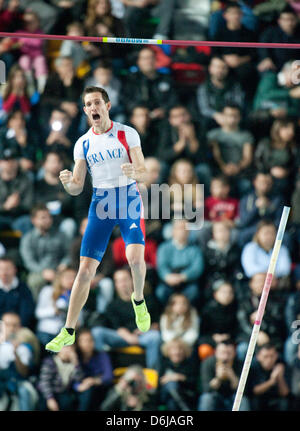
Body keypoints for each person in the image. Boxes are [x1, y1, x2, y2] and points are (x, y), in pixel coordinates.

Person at [45, 85, 152, 353]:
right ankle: (68, 330)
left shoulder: (127, 133)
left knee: (135, 258)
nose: (93, 107)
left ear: (107, 106)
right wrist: (68, 183)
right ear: (85, 110)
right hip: (101, 203)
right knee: (84, 271)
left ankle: (138, 300)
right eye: (88, 104)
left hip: (127, 198)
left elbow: (144, 171)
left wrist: (134, 171)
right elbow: (77, 187)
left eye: (97, 102)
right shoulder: (83, 143)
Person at [91, 268, 161, 370]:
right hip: (122, 337)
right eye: (118, 281)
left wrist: (146, 329)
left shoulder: (148, 299)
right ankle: (103, 371)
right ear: (115, 285)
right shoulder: (112, 305)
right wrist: (129, 337)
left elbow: (156, 324)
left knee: (155, 337)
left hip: (143, 335)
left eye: (125, 279)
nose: (122, 284)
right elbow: (117, 327)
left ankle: (153, 375)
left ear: (132, 280)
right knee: (97, 332)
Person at [19, 203, 70, 300]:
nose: (48, 220)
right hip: (38, 272)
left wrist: (64, 263)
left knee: (70, 279)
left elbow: (68, 253)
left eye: (49, 217)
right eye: (43, 218)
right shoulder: (27, 239)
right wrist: (43, 272)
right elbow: (29, 262)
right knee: (33, 281)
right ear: (33, 220)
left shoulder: (61, 235)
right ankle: (35, 311)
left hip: (59, 270)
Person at [208, 103, 254, 196]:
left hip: (240, 171)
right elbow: (215, 154)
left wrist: (237, 167)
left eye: (235, 116)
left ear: (240, 117)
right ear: (222, 116)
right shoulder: (213, 135)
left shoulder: (246, 135)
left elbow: (247, 157)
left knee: (245, 185)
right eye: (228, 115)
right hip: (219, 171)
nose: (232, 119)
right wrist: (223, 167)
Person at [156, 219, 204, 305]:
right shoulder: (164, 248)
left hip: (187, 281)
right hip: (169, 280)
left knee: (194, 292)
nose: (182, 231)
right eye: (179, 228)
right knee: (161, 292)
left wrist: (183, 276)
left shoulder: (195, 249)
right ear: (173, 231)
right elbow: (161, 266)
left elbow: (197, 268)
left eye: (185, 228)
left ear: (189, 232)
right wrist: (167, 276)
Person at [0, 311, 39, 411]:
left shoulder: (25, 347)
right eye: (8, 325)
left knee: (24, 391)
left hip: (17, 383)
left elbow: (24, 373)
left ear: (20, 327)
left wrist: (15, 353)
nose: (11, 329)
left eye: (15, 325)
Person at [196, 55, 246, 133]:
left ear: (227, 70)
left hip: (232, 116)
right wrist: (216, 115)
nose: (220, 70)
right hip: (212, 118)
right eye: (217, 67)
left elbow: (239, 104)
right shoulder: (203, 87)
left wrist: (228, 116)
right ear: (210, 69)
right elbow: (204, 109)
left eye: (223, 67)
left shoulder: (234, 86)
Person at [198, 339, 250, 411]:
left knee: (243, 400)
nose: (225, 357)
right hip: (215, 396)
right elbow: (206, 389)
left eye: (229, 353)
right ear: (216, 352)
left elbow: (245, 391)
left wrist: (232, 376)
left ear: (234, 353)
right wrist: (218, 378)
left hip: (233, 397)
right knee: (206, 398)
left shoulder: (241, 364)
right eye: (223, 353)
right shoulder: (208, 363)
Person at [238, 171, 285, 247]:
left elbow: (280, 221)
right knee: (242, 236)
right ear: (255, 182)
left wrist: (269, 208)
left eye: (268, 182)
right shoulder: (246, 199)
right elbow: (243, 222)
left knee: (286, 238)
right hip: (253, 229)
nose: (265, 185)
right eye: (261, 182)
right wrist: (256, 207)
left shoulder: (277, 199)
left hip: (271, 229)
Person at [35, 266, 77, 346]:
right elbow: (38, 313)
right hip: (46, 331)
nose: (71, 280)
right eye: (68, 277)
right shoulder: (48, 290)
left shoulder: (75, 295)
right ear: (60, 278)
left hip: (64, 332)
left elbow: (79, 319)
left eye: (74, 277)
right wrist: (54, 311)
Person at [254, 118, 296, 196]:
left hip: (285, 179)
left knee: (285, 187)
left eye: (292, 129)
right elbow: (257, 160)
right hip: (264, 175)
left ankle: (285, 208)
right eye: (287, 128)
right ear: (278, 129)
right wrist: (269, 171)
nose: (291, 132)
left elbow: (295, 165)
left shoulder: (293, 147)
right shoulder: (265, 143)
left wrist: (286, 172)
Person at [75, 328, 113, 410]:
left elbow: (109, 376)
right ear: (78, 343)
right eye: (84, 341)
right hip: (81, 388)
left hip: (100, 388)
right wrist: (78, 386)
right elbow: (72, 379)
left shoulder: (102, 355)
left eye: (90, 340)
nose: (88, 343)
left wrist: (93, 381)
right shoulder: (76, 357)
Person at [0, 146, 34, 234]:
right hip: (1, 216)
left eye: (12, 160)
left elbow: (29, 204)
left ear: (17, 162)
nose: (9, 163)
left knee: (27, 222)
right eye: (6, 160)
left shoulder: (26, 178)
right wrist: (5, 206)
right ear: (0, 162)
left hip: (20, 217)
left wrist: (16, 205)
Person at [257, 5, 300, 73]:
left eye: (292, 19)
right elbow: (263, 46)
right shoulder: (270, 32)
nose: (289, 23)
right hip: (273, 67)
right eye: (286, 19)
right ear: (279, 21)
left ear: (296, 20)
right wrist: (266, 58)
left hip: (295, 68)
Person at [159, 338, 198, 411]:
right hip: (165, 394)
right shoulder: (164, 364)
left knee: (172, 403)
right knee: (171, 384)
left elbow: (193, 383)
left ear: (185, 351)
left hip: (185, 395)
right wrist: (172, 379)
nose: (177, 352)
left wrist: (180, 377)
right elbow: (160, 381)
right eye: (173, 349)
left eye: (180, 349)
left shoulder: (189, 365)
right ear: (168, 351)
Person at [248, 343, 290, 411]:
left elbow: (285, 393)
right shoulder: (253, 367)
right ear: (258, 357)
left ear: (276, 355)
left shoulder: (282, 365)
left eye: (272, 356)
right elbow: (254, 391)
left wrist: (280, 378)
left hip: (275, 399)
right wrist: (271, 381)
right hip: (259, 400)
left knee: (284, 402)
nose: (269, 360)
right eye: (265, 356)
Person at [0, 256, 35, 328]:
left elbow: (27, 312)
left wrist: (15, 327)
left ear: (14, 270)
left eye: (7, 269)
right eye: (1, 269)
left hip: (19, 328)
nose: (4, 272)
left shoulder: (23, 288)